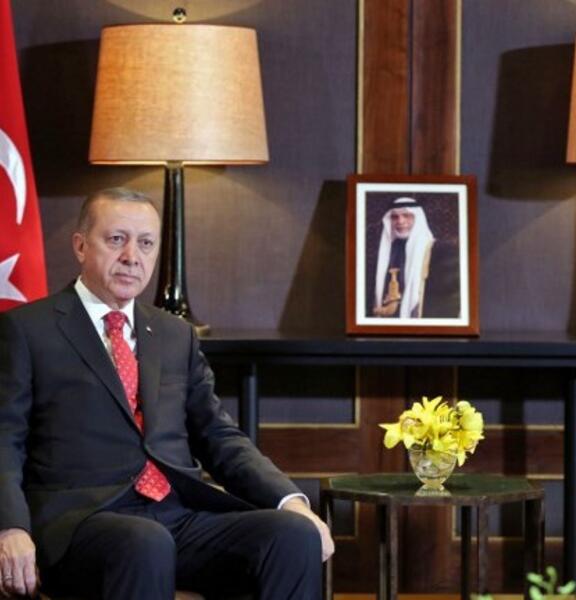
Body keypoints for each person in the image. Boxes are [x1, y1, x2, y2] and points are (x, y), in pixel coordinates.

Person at [0, 188, 334, 599]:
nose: (132, 256)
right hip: (81, 524)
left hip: (176, 514)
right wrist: (10, 527)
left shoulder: (175, 335)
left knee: (292, 534)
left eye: (146, 243)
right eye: (116, 239)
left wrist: (289, 500)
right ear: (81, 246)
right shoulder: (28, 330)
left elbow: (219, 436)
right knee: (145, 542)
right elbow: (4, 439)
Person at [370, 197, 459, 319]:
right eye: (394, 217)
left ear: (418, 218)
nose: (400, 221)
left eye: (407, 216)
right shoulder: (386, 253)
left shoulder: (441, 250)